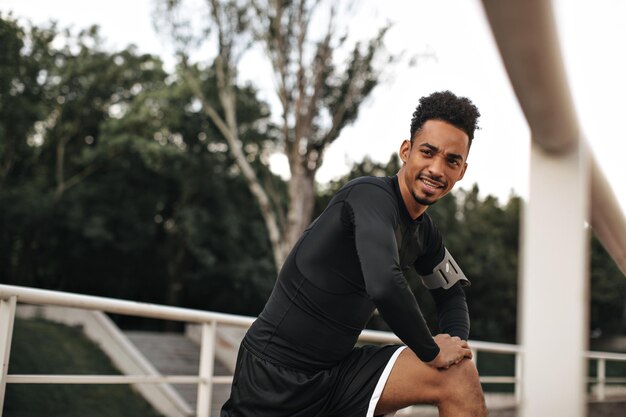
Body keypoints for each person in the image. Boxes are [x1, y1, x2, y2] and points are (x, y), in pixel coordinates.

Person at [221, 90, 488, 417]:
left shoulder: (425, 233)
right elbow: (384, 284)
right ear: (406, 151)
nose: (437, 168)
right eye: (428, 152)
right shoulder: (369, 197)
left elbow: (452, 295)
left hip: (338, 376)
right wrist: (432, 352)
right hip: (274, 376)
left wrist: (454, 349)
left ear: (462, 171)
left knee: (458, 376)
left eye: (452, 160)